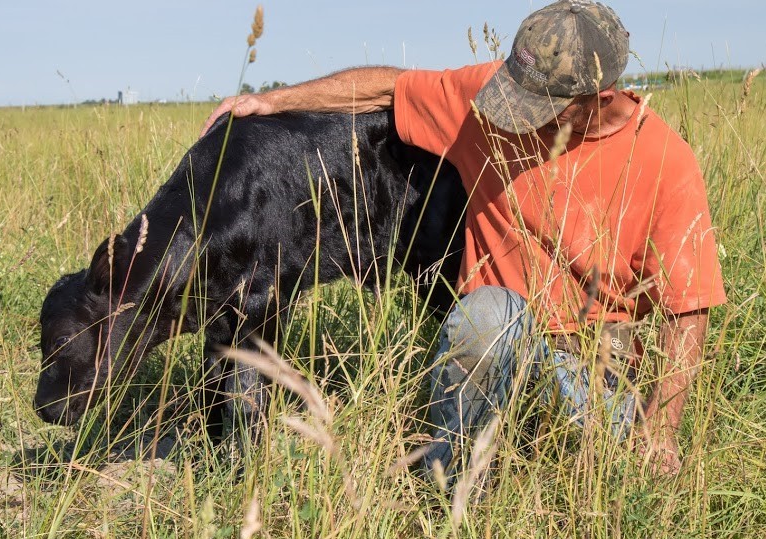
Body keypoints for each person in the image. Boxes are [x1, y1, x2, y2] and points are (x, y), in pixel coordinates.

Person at [200, 0, 726, 479]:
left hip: (590, 380)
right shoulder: (489, 101)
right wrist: (272, 101)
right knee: (489, 316)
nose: (513, 116)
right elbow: (390, 86)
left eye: (538, 107)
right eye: (513, 93)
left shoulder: (664, 161)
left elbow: (689, 311)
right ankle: (451, 486)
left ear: (599, 98)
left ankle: (563, 462)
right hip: (496, 346)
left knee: (608, 444)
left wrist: (660, 433)